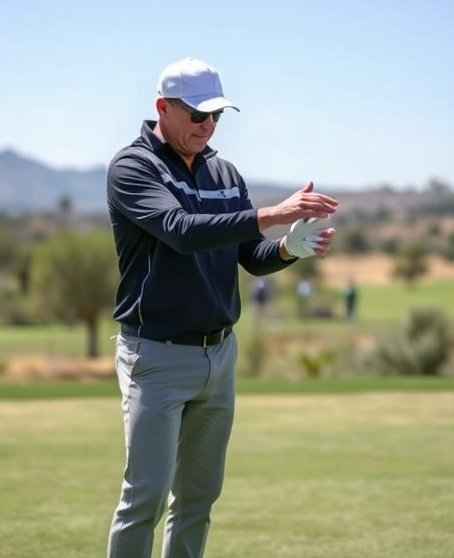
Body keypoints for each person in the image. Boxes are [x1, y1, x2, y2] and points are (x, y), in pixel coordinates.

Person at [104, 56, 338, 558]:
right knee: (144, 499)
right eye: (196, 115)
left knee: (198, 499)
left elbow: (246, 257)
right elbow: (180, 232)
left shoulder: (224, 171)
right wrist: (273, 213)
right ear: (162, 108)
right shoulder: (132, 167)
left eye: (216, 116)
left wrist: (288, 247)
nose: (207, 125)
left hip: (219, 357)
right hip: (156, 357)